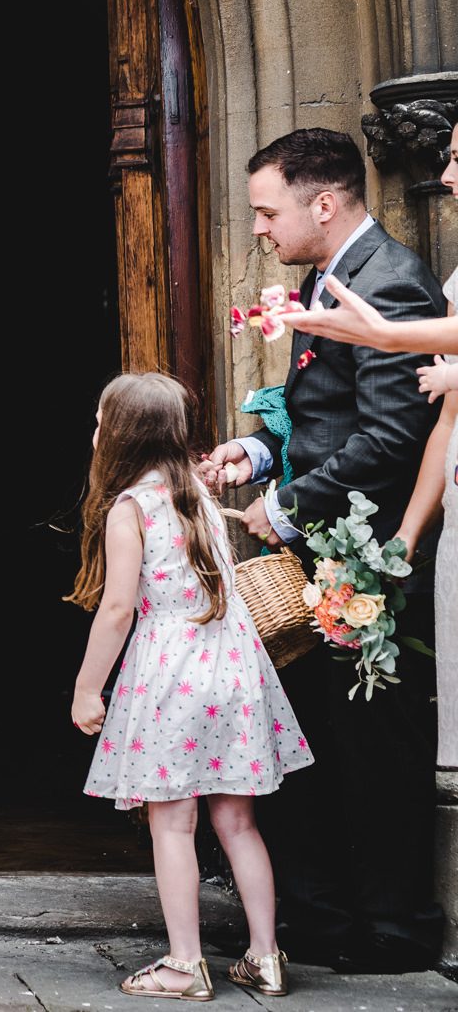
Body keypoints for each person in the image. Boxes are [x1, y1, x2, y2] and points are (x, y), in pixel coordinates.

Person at [202, 128, 445, 970]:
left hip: (373, 561)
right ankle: (323, 919)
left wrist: (285, 506)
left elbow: (391, 436)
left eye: (268, 211)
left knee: (378, 746)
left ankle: (394, 928)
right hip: (329, 556)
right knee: (318, 740)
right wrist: (261, 451)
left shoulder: (395, 284)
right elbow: (324, 412)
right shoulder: (328, 276)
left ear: (324, 202)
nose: (260, 228)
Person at [69, 373, 311, 999]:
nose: (94, 431)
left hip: (171, 675)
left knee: (173, 825)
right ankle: (265, 955)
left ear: (122, 435)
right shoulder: (198, 498)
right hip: (233, 671)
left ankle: (184, 963)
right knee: (237, 821)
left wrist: (88, 688)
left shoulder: (131, 509)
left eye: (100, 421)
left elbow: (119, 608)